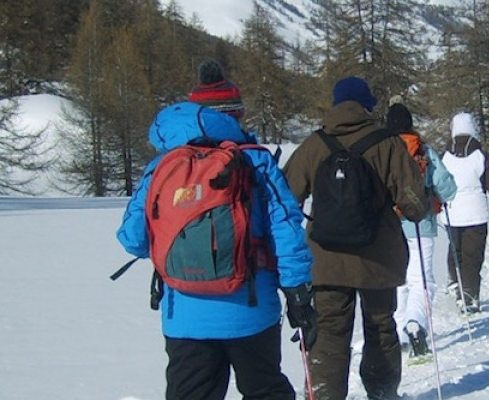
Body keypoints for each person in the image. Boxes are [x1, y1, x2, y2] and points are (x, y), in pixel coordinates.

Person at [116, 99, 316, 399]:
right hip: (251, 309)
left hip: (184, 315)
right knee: (264, 391)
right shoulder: (256, 162)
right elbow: (285, 228)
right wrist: (297, 291)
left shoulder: (161, 168)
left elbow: (133, 239)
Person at [281, 76, 429, 400]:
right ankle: (383, 392)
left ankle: (324, 394)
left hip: (325, 260)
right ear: (367, 107)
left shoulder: (314, 144)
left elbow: (284, 198)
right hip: (378, 260)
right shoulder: (388, 143)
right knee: (380, 328)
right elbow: (415, 204)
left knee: (329, 334)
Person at [386, 101, 456, 358]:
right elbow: (447, 187)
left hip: (390, 226)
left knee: (398, 281)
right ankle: (415, 324)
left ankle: (396, 332)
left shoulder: (381, 150)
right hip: (421, 225)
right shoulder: (423, 150)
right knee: (422, 281)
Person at [440, 112, 489, 314]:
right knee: (472, 255)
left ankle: (454, 281)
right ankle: (470, 295)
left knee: (455, 249)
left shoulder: (444, 157)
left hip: (452, 212)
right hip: (476, 213)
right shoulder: (482, 156)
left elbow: (438, 182)